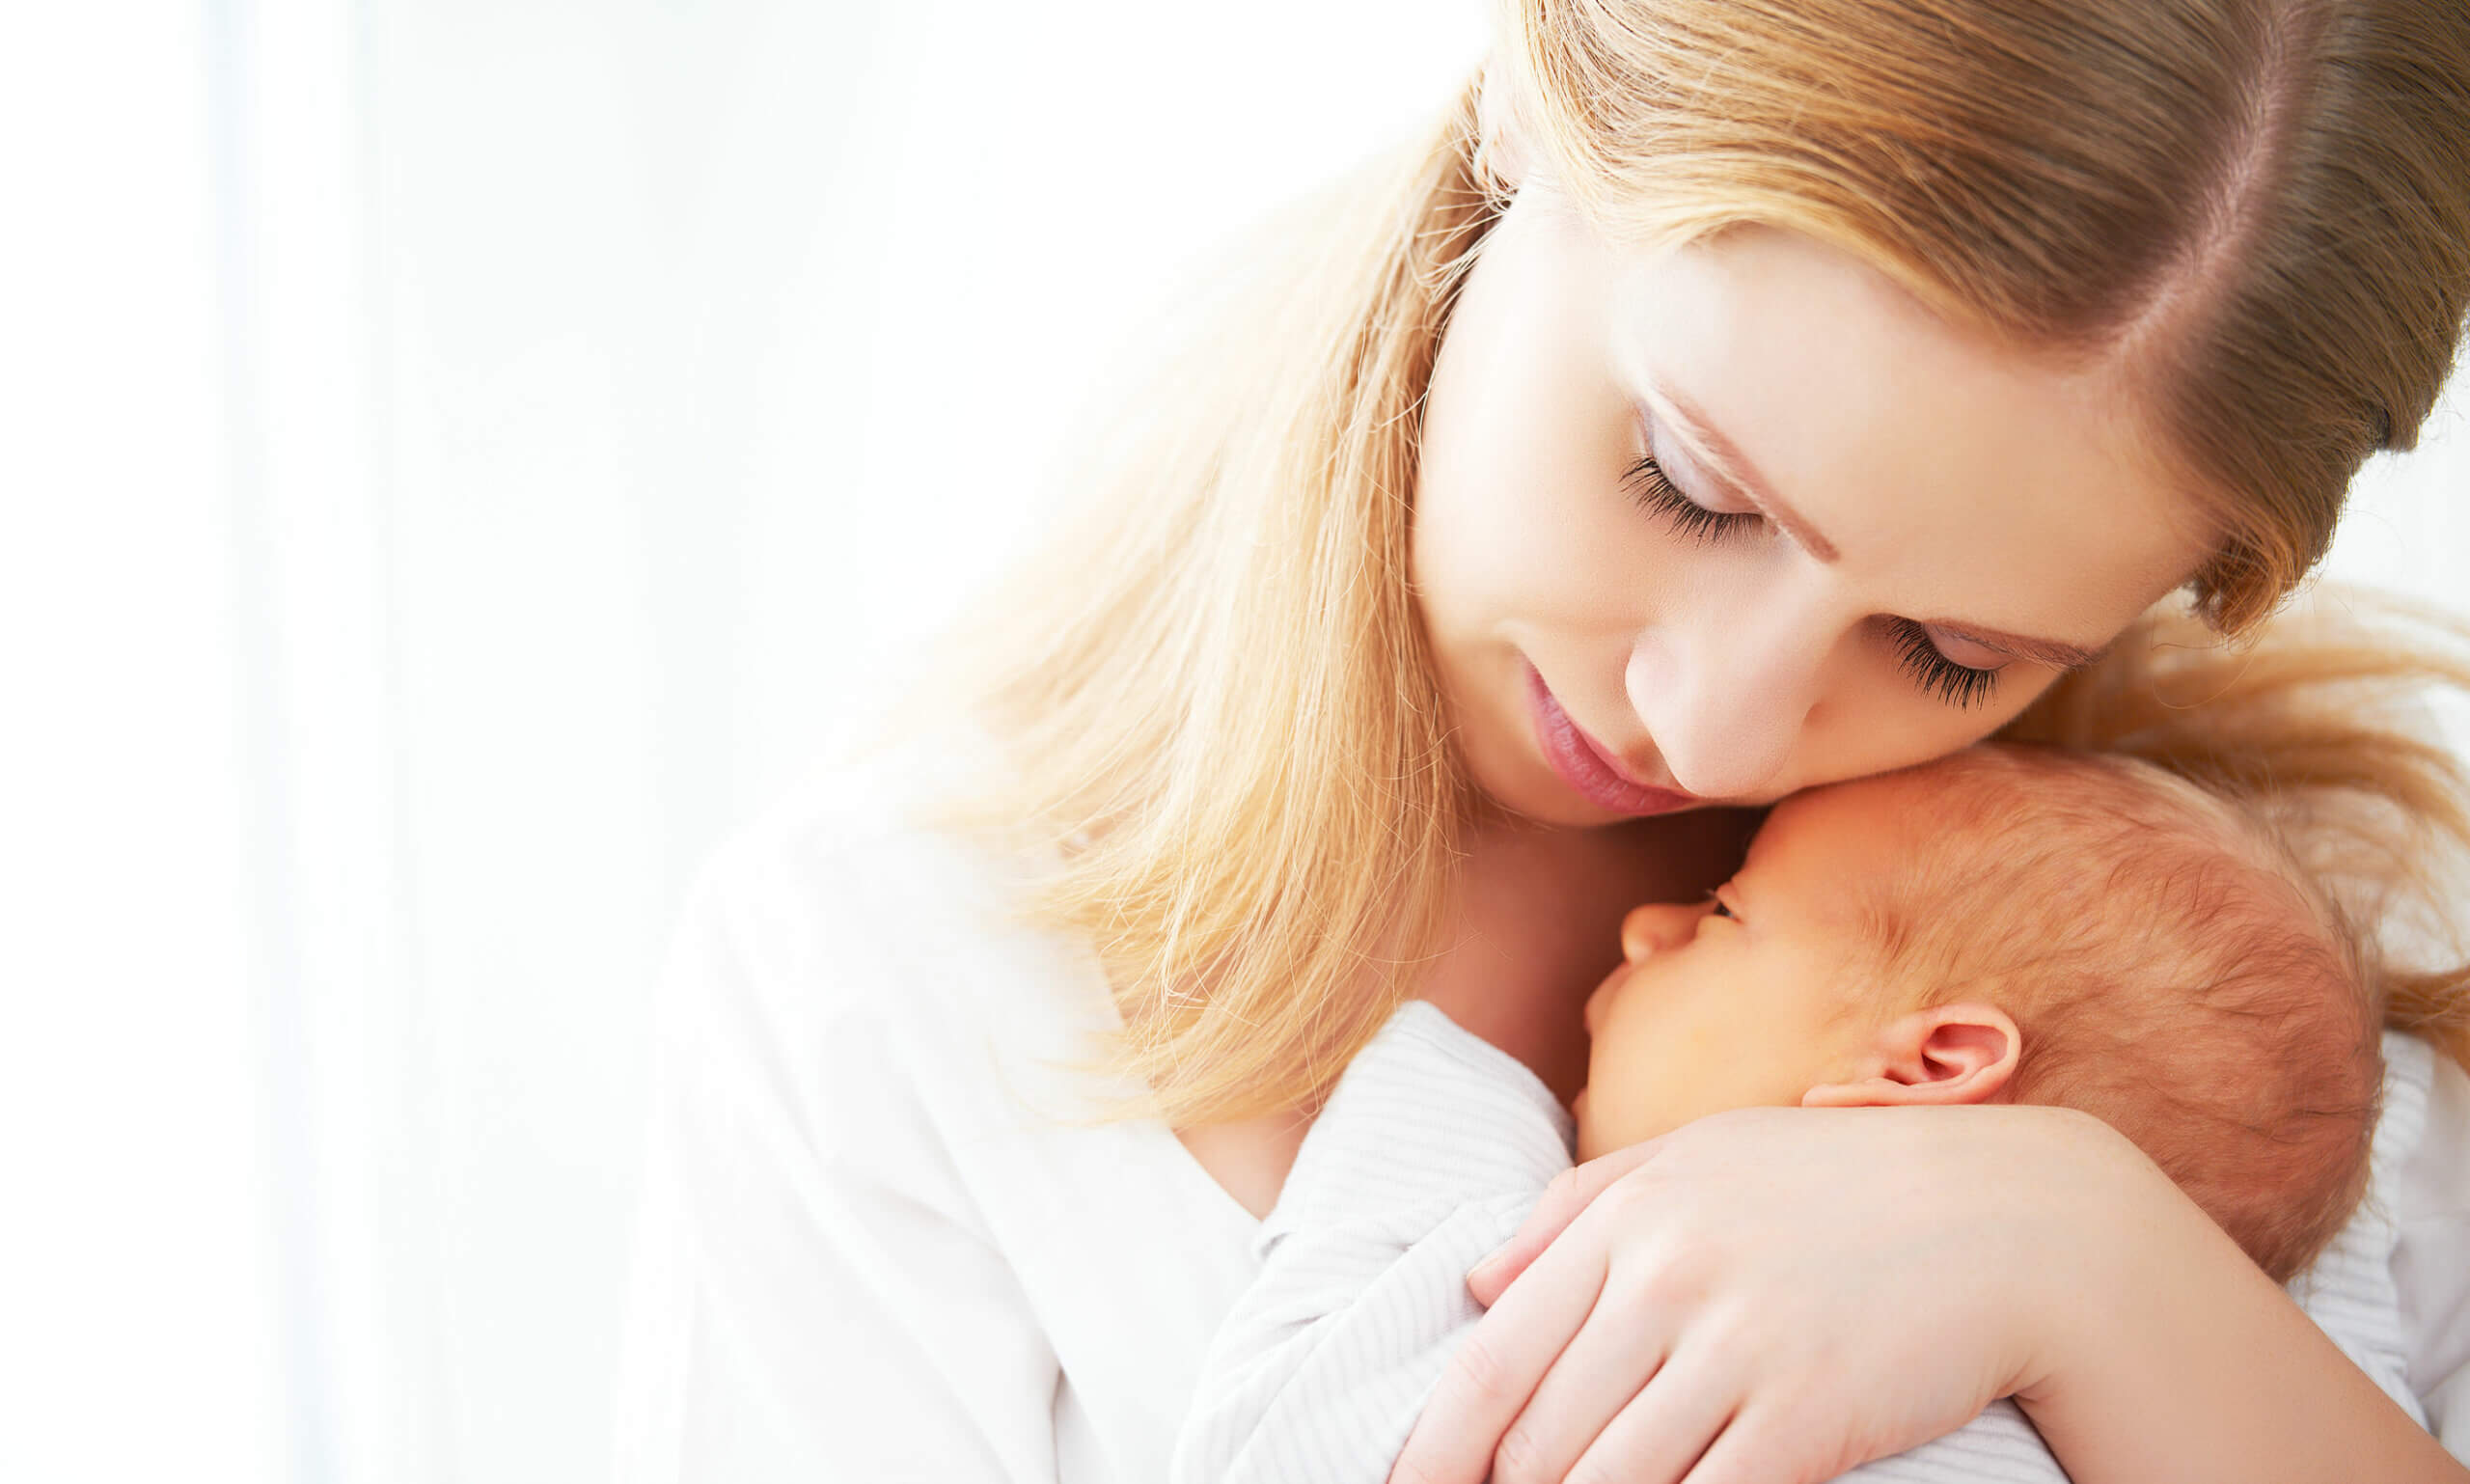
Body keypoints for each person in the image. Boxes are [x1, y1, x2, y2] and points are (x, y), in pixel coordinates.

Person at [611, 1, 2470, 1479]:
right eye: (1689, 483)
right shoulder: (887, 990)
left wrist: (2087, 1256)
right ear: (1521, 103)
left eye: (1953, 652)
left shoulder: (2313, 984)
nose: (1712, 726)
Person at [1170, 737, 2444, 1481]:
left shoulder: (1508, 1203)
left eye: (1728, 908)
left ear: (1930, 1065)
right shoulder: (2297, 1366)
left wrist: (1436, 1099)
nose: (1648, 924)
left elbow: (1297, 1444)